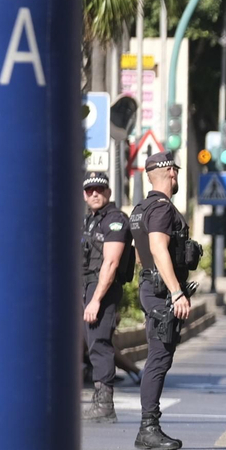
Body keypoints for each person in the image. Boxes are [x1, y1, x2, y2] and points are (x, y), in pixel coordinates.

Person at [129, 151, 197, 450]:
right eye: (176, 172)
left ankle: (149, 427)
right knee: (159, 357)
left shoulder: (140, 208)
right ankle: (148, 428)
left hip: (151, 286)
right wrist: (176, 291)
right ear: (171, 172)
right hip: (160, 292)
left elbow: (139, 254)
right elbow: (157, 248)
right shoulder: (162, 208)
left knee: (160, 356)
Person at [80, 172, 134, 423]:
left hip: (101, 287)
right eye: (89, 190)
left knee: (99, 343)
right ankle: (98, 399)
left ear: (109, 193)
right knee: (90, 342)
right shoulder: (89, 220)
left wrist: (96, 300)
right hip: (86, 285)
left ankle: (104, 404)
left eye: (99, 189)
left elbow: (111, 263)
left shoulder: (115, 220)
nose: (94, 193)